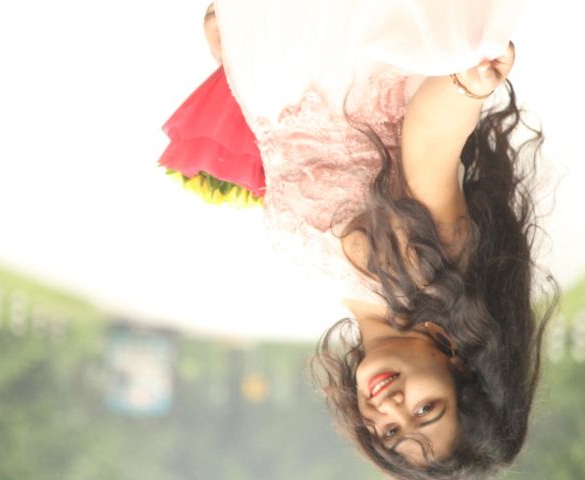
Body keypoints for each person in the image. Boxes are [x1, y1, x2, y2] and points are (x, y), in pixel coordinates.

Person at [160, 1, 558, 478]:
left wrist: (235, 62)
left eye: (389, 432)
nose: (392, 407)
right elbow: (429, 146)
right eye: (426, 410)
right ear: (460, 369)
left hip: (278, 57)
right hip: (343, 44)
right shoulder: (423, 271)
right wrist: (468, 88)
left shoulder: (357, 296)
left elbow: (297, 159)